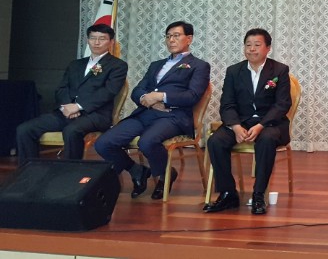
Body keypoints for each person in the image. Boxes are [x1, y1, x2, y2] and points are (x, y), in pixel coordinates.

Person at [95, 21, 210, 200]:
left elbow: (192, 96)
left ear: (189, 39)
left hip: (173, 116)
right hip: (145, 113)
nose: (171, 40)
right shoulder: (156, 65)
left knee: (147, 142)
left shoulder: (199, 66)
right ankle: (136, 170)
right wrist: (146, 99)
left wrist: (161, 96)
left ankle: (165, 175)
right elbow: (137, 90)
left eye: (176, 36)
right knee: (103, 143)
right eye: (168, 36)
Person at [204, 28, 292, 215]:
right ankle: (228, 194)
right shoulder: (234, 71)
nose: (252, 49)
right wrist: (235, 126)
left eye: (257, 45)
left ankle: (258, 194)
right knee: (215, 141)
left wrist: (261, 125)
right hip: (241, 122)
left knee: (266, 139)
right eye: (248, 45)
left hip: (270, 123)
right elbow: (227, 104)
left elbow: (282, 104)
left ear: (268, 48)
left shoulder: (279, 70)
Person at [16, 24, 127, 166]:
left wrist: (78, 107)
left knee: (71, 131)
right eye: (93, 38)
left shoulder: (117, 65)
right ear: (87, 40)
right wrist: (66, 107)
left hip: (95, 115)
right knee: (25, 129)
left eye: (102, 39)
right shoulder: (76, 64)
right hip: (66, 112)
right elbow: (62, 88)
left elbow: (108, 92)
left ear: (111, 42)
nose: (96, 42)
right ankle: (30, 172)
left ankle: (70, 172)